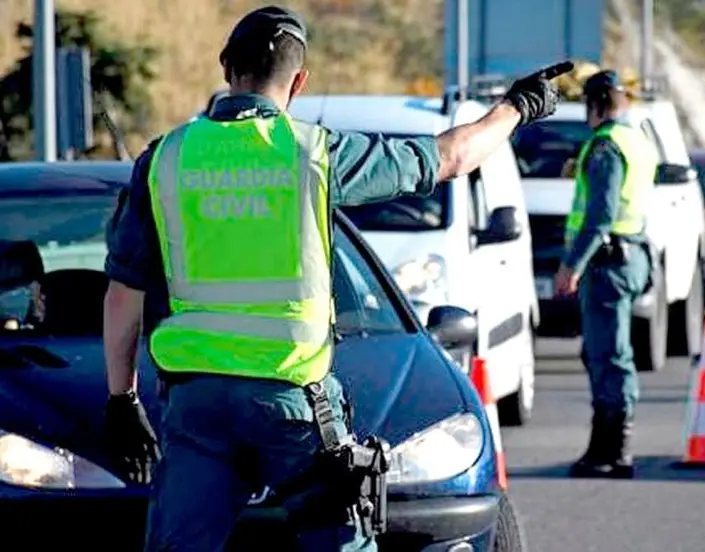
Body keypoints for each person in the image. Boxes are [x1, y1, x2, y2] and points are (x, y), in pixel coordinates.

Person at [101, 6, 572, 551]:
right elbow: (453, 156)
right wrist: (518, 106)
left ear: (225, 65)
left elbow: (122, 294)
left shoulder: (165, 160)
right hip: (293, 407)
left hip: (196, 404)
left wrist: (122, 400)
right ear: (299, 82)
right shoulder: (315, 153)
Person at [553, 70, 654, 479]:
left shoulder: (606, 147)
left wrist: (571, 265)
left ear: (594, 105)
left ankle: (612, 452)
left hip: (607, 263)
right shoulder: (636, 140)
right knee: (604, 352)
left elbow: (600, 216)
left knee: (609, 356)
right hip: (631, 256)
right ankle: (607, 447)